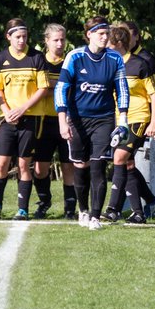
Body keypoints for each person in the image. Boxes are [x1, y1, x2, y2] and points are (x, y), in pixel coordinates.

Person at [55, 16, 129, 230]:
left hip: (104, 119)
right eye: (100, 34)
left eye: (107, 33)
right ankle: (84, 209)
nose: (105, 37)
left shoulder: (115, 59)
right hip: (78, 119)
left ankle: (96, 216)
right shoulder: (75, 57)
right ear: (89, 35)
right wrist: (62, 119)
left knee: (99, 165)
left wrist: (122, 118)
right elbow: (61, 88)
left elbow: (122, 89)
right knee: (80, 166)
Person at [0, 17, 51, 221]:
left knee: (24, 164)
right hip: (6, 119)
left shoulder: (37, 57)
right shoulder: (0, 58)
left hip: (30, 118)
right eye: (17, 37)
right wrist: (7, 111)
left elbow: (43, 88)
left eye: (24, 36)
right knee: (1, 163)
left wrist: (23, 109)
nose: (22, 40)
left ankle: (22, 209)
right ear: (8, 37)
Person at [101, 25, 155, 223]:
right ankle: (140, 211)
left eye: (108, 44)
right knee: (127, 164)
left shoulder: (140, 64)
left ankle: (113, 209)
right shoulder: (109, 64)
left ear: (118, 44)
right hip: (118, 120)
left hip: (137, 118)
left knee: (119, 159)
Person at [34, 24, 77, 218]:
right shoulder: (39, 61)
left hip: (67, 120)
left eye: (62, 39)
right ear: (47, 41)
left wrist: (51, 86)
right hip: (45, 121)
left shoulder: (71, 62)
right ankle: (44, 201)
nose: (60, 44)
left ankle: (70, 208)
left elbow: (74, 87)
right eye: (55, 40)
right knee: (40, 167)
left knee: (68, 166)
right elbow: (37, 87)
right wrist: (58, 85)